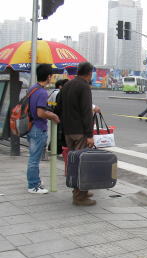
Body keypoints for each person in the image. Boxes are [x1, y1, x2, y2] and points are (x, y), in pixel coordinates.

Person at [59, 62, 96, 206]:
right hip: (80, 132)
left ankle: (80, 191)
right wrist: (89, 135)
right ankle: (80, 196)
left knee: (73, 163)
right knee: (82, 163)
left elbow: (61, 107)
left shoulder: (67, 85)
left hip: (68, 131)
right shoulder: (84, 86)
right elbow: (86, 112)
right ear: (89, 73)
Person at [26, 64, 60, 194]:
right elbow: (40, 113)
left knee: (33, 157)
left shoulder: (33, 89)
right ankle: (33, 185)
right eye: (51, 75)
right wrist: (53, 116)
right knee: (34, 159)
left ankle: (35, 181)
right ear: (48, 76)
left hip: (31, 126)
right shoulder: (41, 92)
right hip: (38, 128)